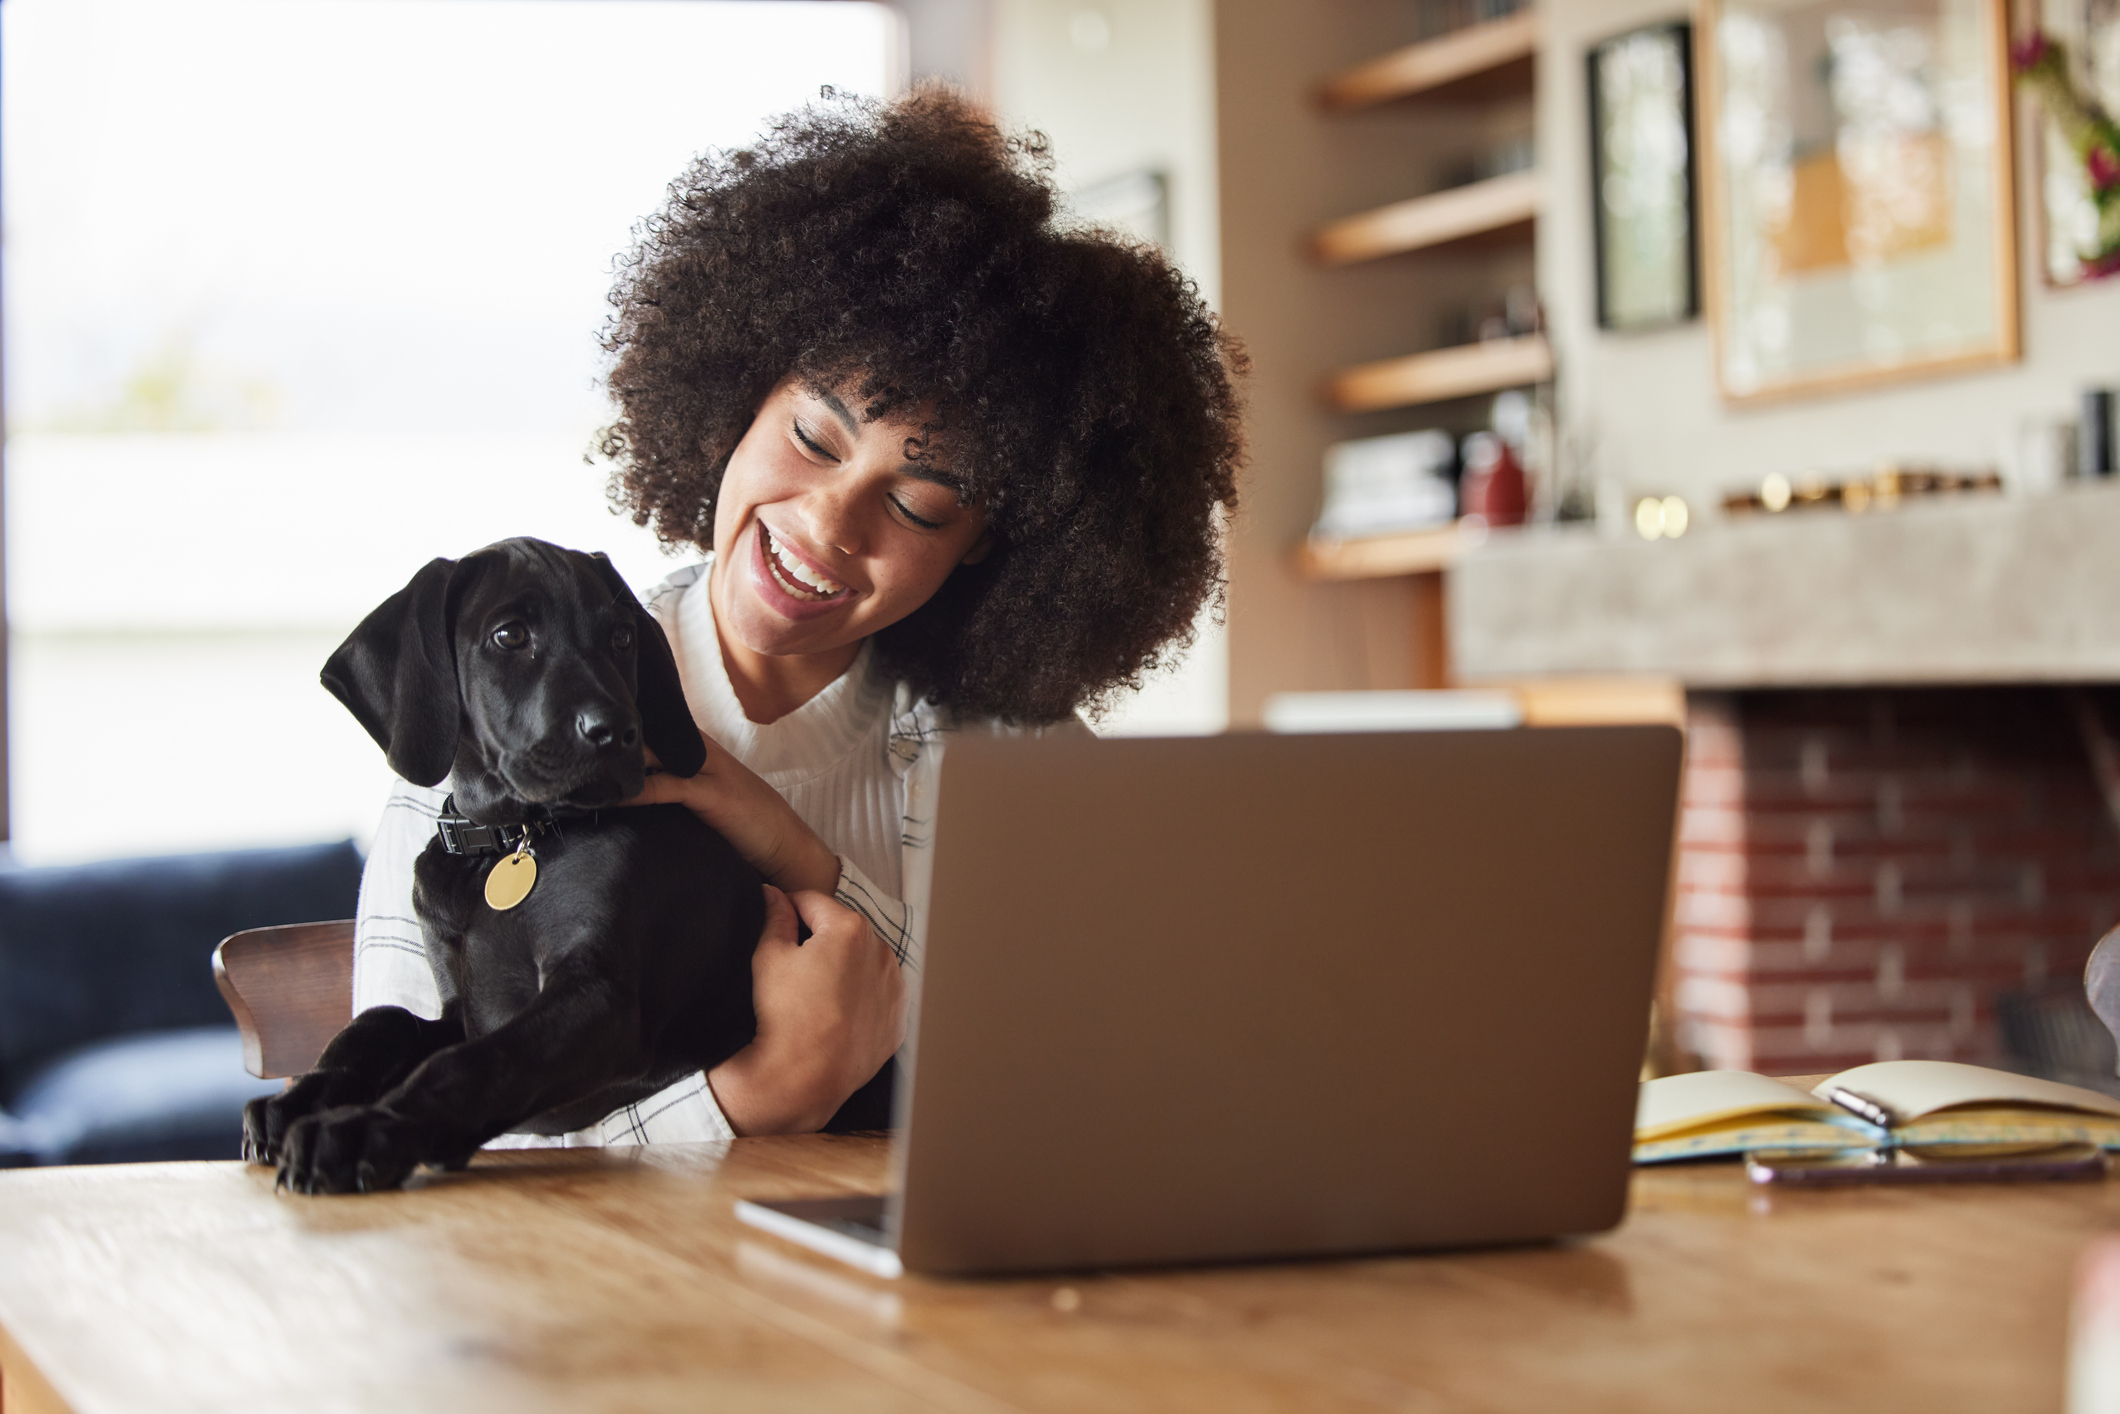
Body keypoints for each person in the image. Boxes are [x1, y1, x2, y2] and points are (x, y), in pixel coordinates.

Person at [351, 87, 1245, 1142]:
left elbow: (1114, 1064)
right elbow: (410, 1131)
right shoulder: (492, 727)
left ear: (991, 544)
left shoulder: (1025, 761)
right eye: (815, 439)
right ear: (739, 396)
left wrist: (794, 850)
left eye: (917, 502)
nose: (828, 522)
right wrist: (749, 1104)